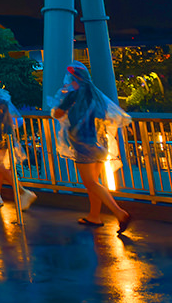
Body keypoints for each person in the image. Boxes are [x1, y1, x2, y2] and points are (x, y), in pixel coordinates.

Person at [51, 61, 132, 233]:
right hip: (99, 141)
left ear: (76, 78)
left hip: (83, 142)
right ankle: (94, 216)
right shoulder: (96, 94)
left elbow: (58, 113)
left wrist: (57, 105)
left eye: (70, 77)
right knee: (93, 183)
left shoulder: (74, 94)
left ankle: (120, 213)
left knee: (90, 182)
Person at [0, 72, 36, 210]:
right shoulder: (1, 95)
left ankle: (22, 192)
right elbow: (15, 117)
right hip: (7, 135)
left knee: (0, 167)